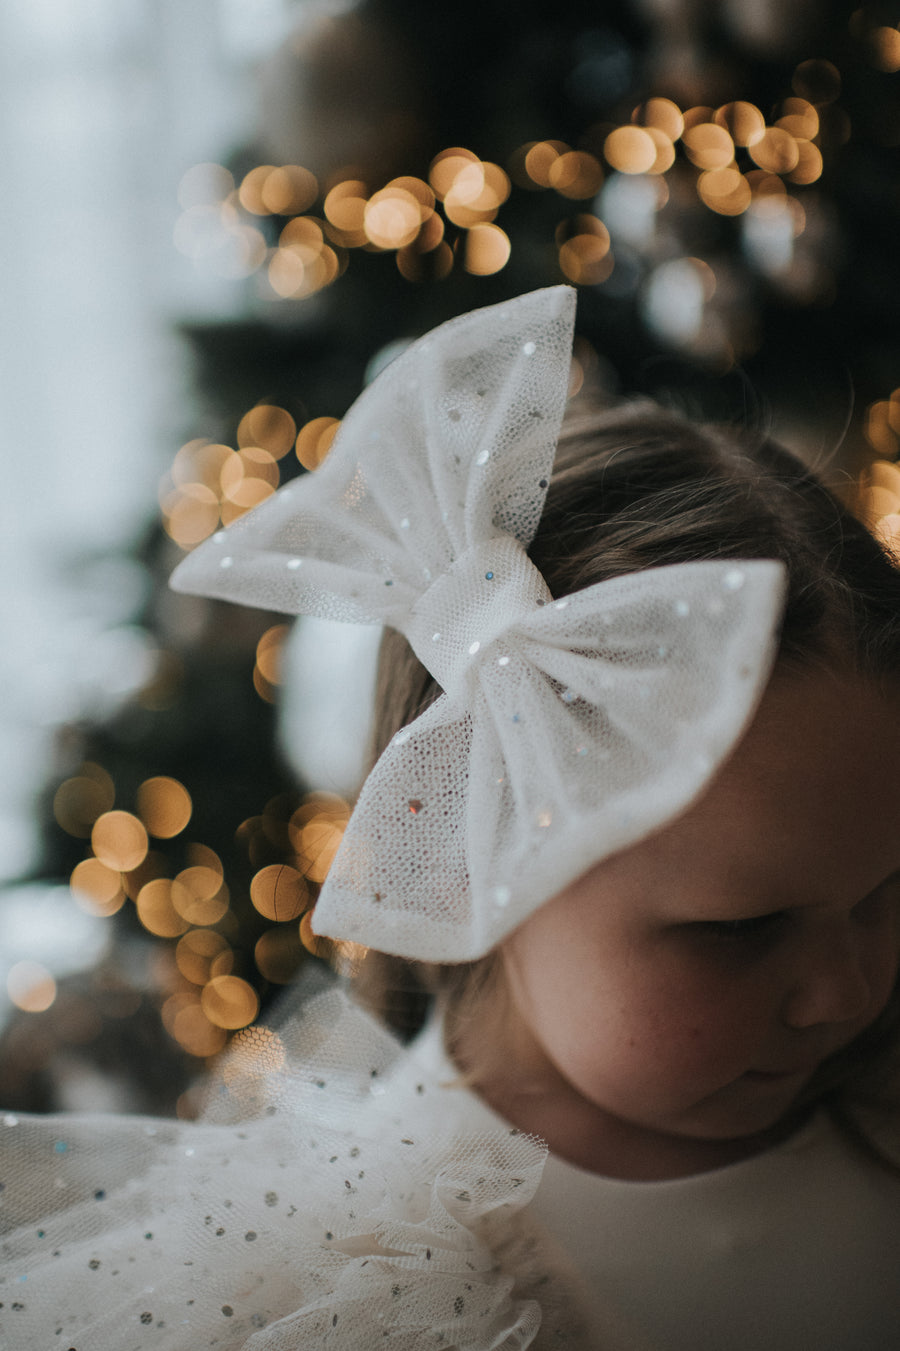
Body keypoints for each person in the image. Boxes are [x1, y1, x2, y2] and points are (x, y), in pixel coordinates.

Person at [2, 287, 899, 1349]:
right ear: (483, 857)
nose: (843, 989)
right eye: (738, 932)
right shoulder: (346, 1279)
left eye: (887, 897)